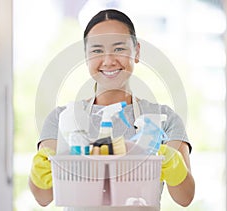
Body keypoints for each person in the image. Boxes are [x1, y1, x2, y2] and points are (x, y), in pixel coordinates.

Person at [29, 9, 195, 210]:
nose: (108, 61)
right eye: (97, 50)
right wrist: (39, 172)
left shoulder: (163, 119)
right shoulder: (63, 119)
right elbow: (44, 198)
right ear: (86, 56)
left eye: (119, 49)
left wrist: (172, 164)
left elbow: (184, 198)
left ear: (137, 52)